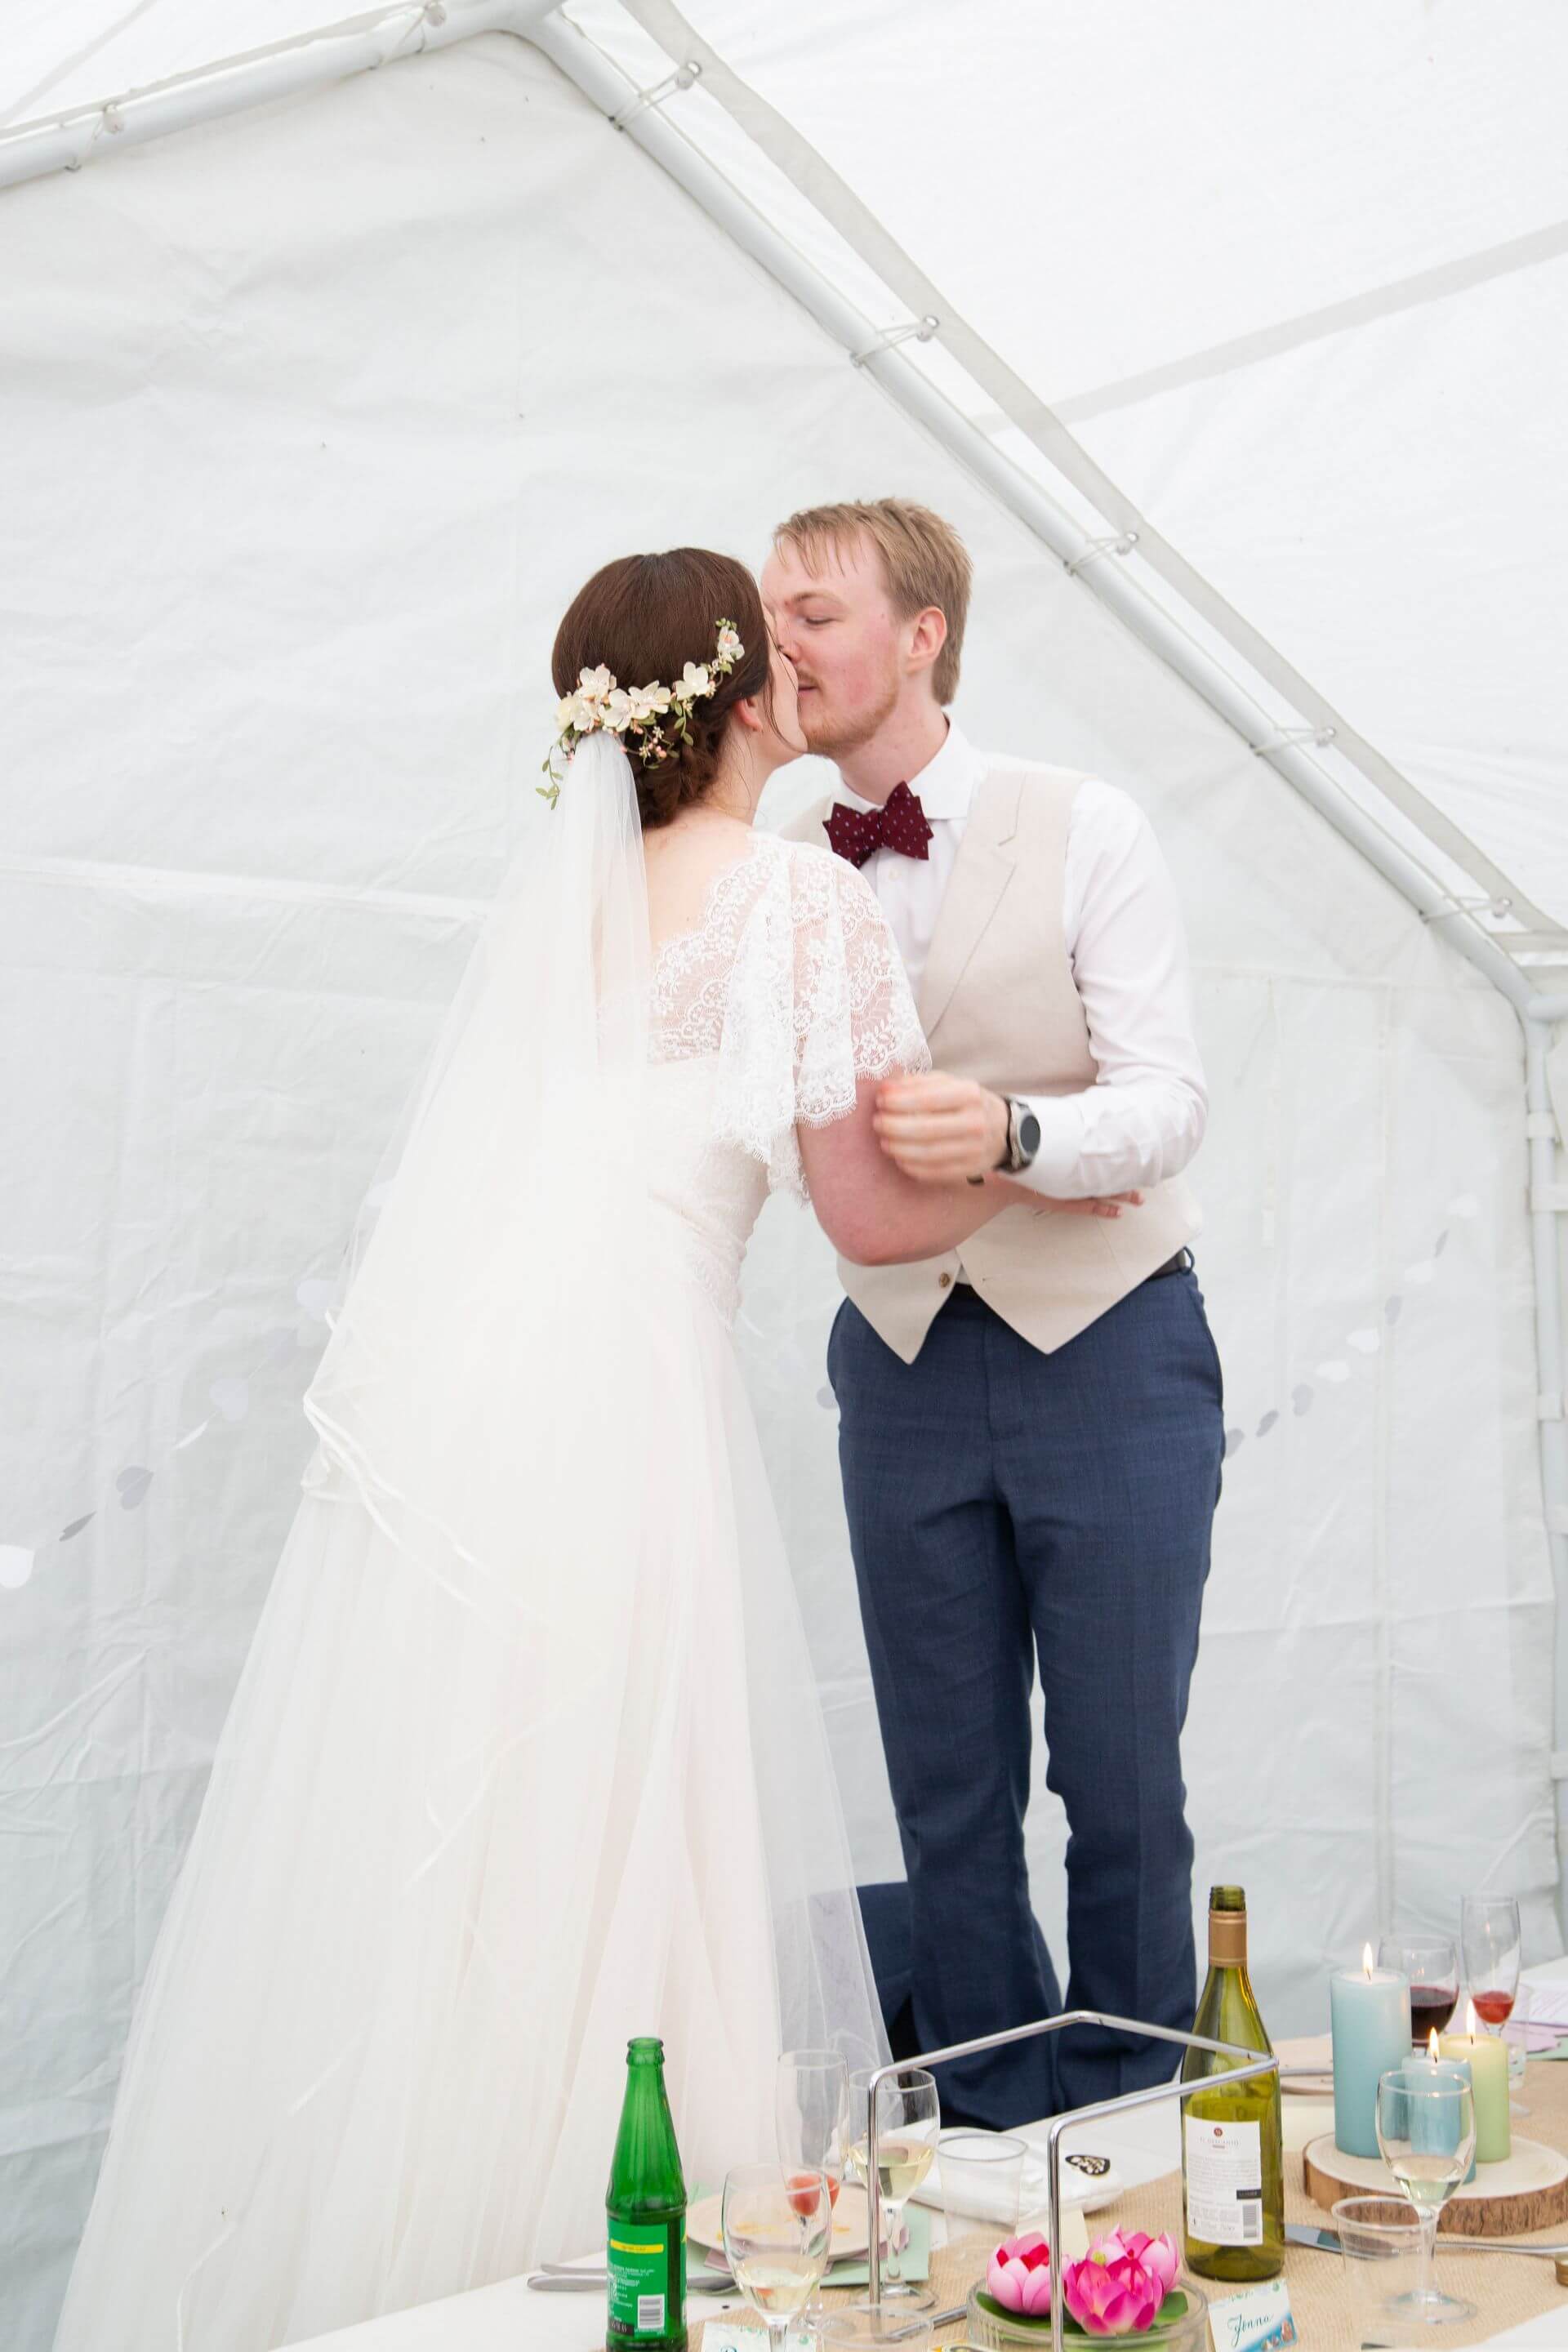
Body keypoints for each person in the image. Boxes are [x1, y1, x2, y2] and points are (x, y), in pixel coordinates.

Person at [51, 549, 1120, 2352]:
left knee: (486, 1809)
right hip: (627, 1388)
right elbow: (871, 1215)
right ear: (739, 698)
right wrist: (1050, 1157)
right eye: (775, 642)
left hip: (479, 1389)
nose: (802, 663)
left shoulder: (571, 909)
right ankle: (617, 2261)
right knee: (634, 1802)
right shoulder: (797, 900)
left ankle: (443, 2261)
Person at [764, 498, 1225, 2127]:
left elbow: (1169, 1100)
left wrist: (1020, 1136)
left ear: (923, 635)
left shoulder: (1084, 822)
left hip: (1112, 1351)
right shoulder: (776, 872)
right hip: (896, 1363)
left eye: (816, 612)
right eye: (770, 614)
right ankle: (988, 2135)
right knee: (944, 1793)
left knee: (1120, 1781)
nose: (781, 645)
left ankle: (1134, 2133)